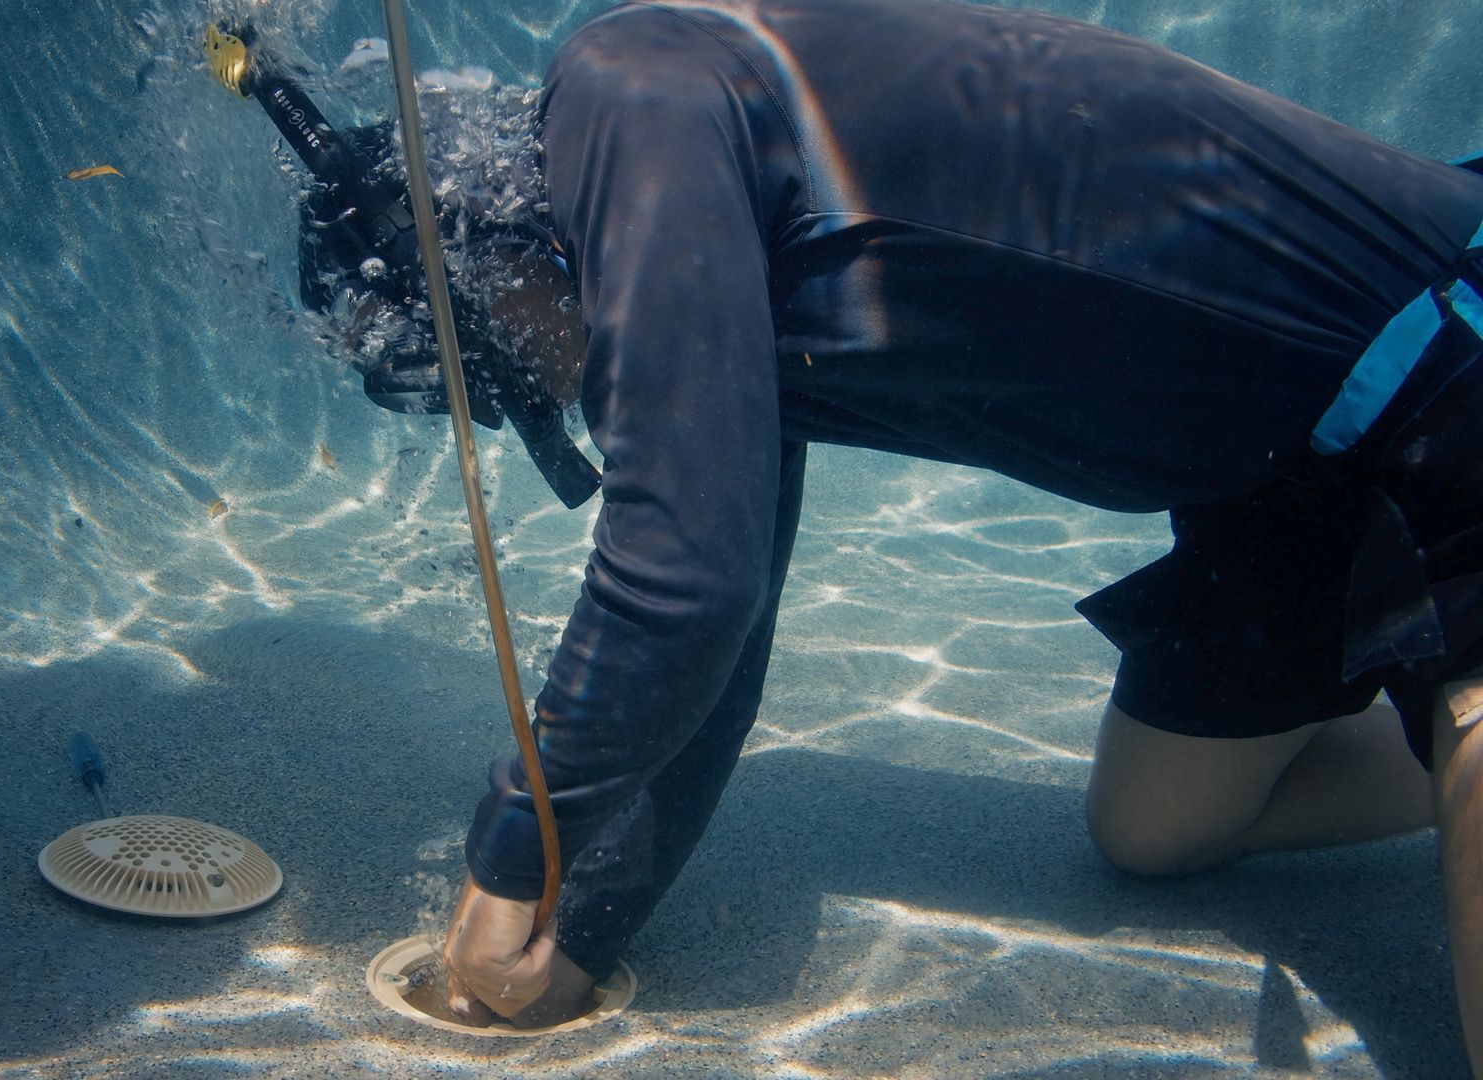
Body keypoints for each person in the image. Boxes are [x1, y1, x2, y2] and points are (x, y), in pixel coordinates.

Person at [280, 0, 1483, 1056]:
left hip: (1443, 371)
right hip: (1276, 467)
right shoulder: (707, 241)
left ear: (468, 250)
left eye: (473, 350)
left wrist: (514, 852)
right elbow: (727, 600)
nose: (511, 392)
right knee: (1158, 831)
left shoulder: (627, 91)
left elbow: (685, 575)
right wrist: (582, 924)